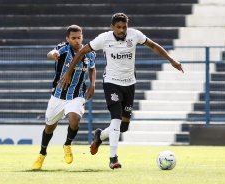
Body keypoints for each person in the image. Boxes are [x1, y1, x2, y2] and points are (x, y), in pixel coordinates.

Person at [58, 13, 184, 169]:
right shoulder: (104, 38)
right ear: (112, 27)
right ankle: (113, 158)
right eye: (118, 27)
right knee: (116, 118)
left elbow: (153, 45)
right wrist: (69, 71)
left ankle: (100, 136)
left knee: (123, 127)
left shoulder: (134, 35)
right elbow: (82, 51)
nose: (122, 30)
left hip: (129, 84)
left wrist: (171, 60)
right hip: (111, 83)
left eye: (124, 27)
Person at [33, 25, 96, 170]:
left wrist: (93, 84)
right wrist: (52, 55)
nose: (76, 40)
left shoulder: (89, 53)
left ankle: (67, 144)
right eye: (73, 38)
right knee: (49, 127)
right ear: (67, 39)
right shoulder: (63, 49)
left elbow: (92, 68)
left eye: (79, 37)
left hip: (77, 95)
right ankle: (42, 153)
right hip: (58, 95)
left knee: (74, 120)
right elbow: (51, 52)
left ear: (82, 37)